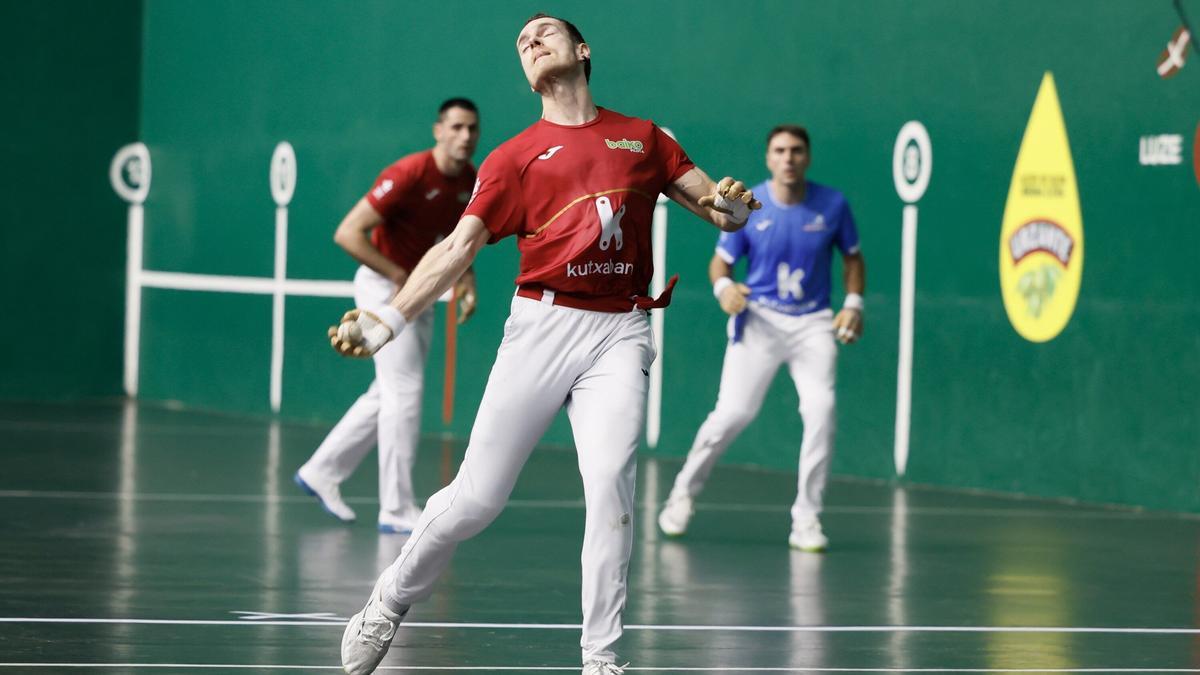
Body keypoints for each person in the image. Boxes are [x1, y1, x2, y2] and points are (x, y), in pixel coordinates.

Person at [329, 13, 760, 675]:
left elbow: (719, 211)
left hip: (620, 328)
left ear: (583, 50)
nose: (530, 42)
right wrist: (389, 318)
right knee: (476, 499)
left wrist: (734, 205)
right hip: (542, 325)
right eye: (522, 42)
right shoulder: (512, 157)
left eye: (544, 33)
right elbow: (457, 248)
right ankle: (389, 599)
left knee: (611, 483)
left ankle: (600, 657)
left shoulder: (644, 138)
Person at [657, 124, 866, 552]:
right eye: (780, 151)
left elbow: (852, 258)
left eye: (796, 151)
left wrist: (854, 304)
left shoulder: (833, 204)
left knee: (822, 410)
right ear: (769, 158)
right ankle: (682, 493)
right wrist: (724, 289)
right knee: (731, 414)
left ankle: (806, 518)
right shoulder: (750, 205)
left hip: (813, 324)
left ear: (807, 157)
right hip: (760, 321)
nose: (788, 158)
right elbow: (720, 263)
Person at [294, 98, 481, 534]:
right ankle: (395, 509)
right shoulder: (409, 173)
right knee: (405, 391)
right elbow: (348, 233)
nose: (465, 136)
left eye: (472, 128)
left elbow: (460, 239)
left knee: (388, 391)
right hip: (384, 288)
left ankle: (322, 471)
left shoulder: (469, 180)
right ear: (438, 130)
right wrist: (398, 275)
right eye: (456, 127)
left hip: (419, 288)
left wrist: (466, 280)